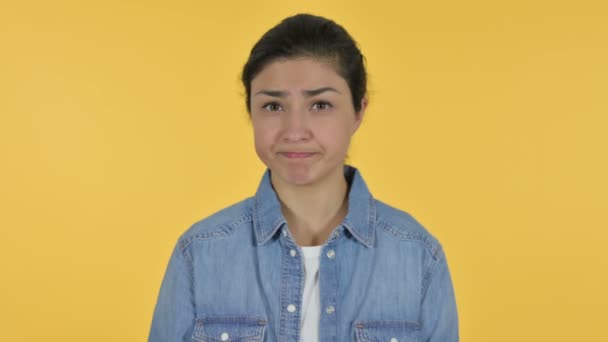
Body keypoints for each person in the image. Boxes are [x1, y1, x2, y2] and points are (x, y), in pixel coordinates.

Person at [149, 13, 458, 342]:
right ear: (250, 111)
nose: (294, 132)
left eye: (321, 104)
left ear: (358, 112)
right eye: (273, 106)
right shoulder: (198, 254)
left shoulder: (419, 257)